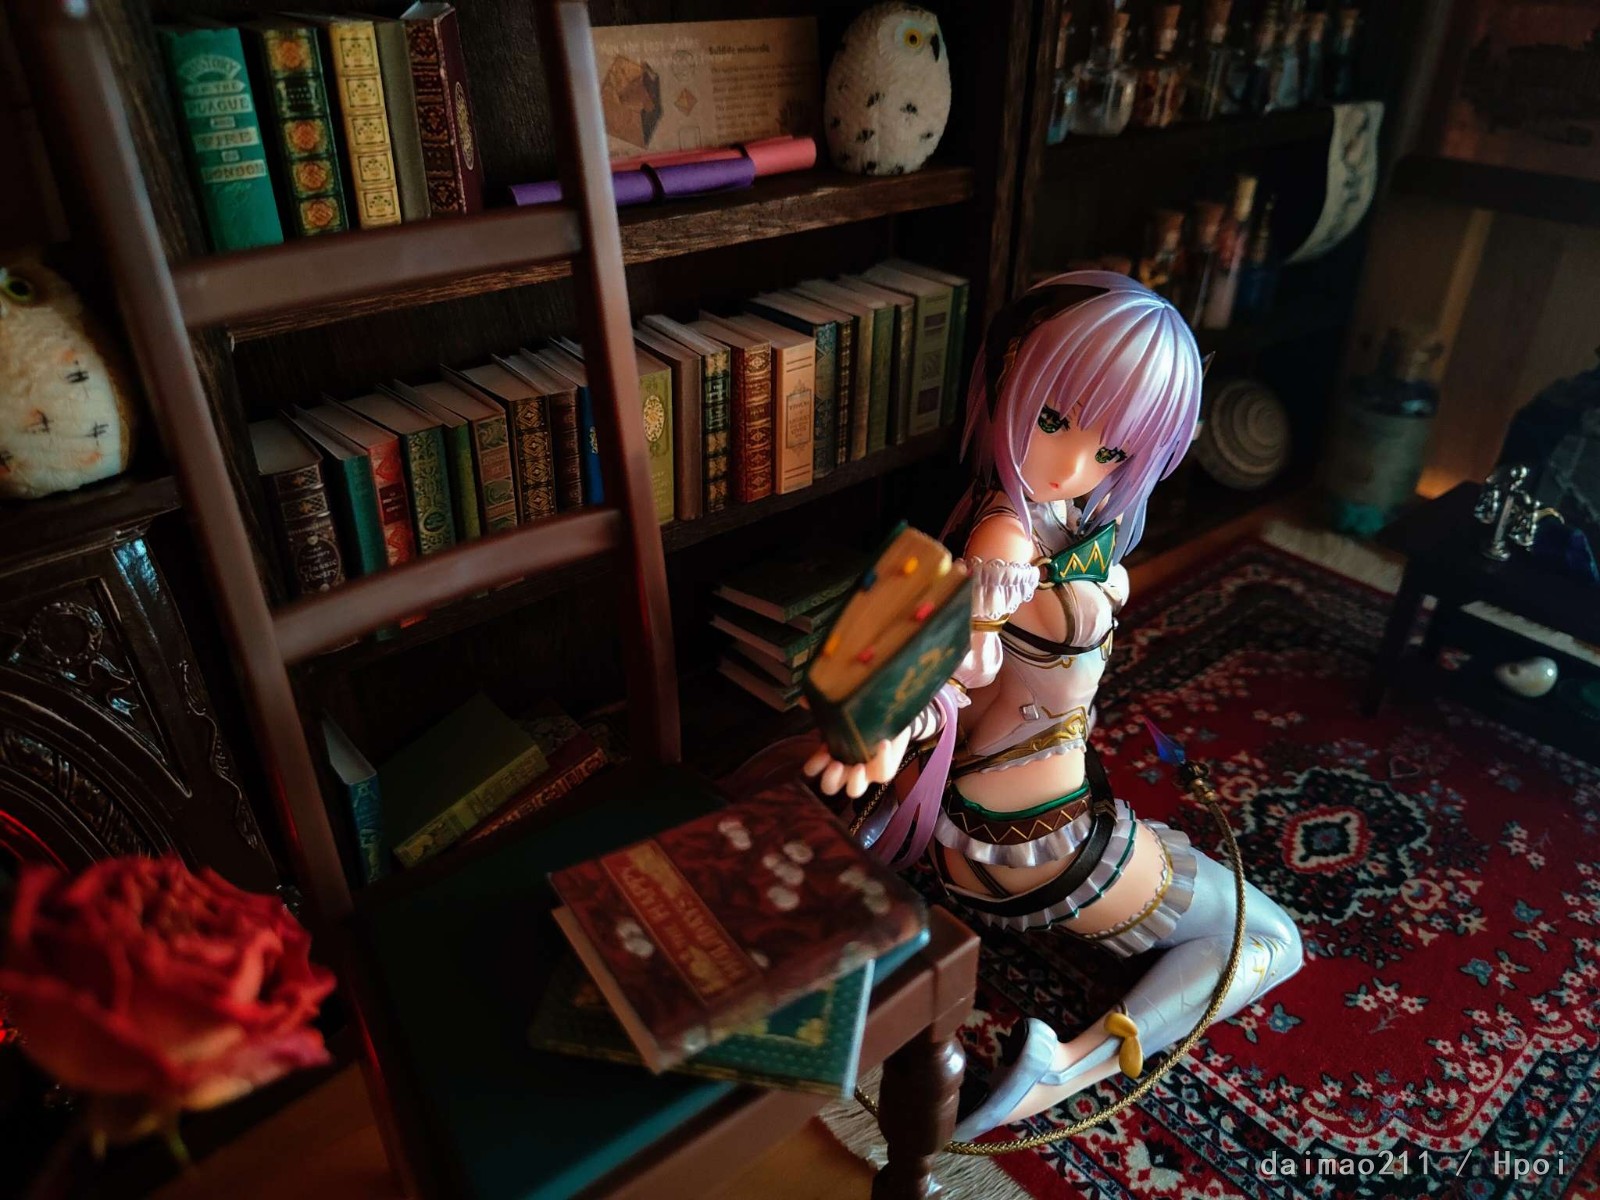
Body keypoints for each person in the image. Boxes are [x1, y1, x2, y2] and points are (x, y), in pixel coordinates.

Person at [803, 272, 1303, 1139]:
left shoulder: (1042, 513)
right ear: (1010, 382)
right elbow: (953, 661)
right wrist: (883, 729)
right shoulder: (1005, 542)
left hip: (1017, 816)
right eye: (1054, 418)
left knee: (1246, 921)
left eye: (1112, 451)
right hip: (1037, 845)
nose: (1074, 465)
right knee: (1272, 941)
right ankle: (1059, 1072)